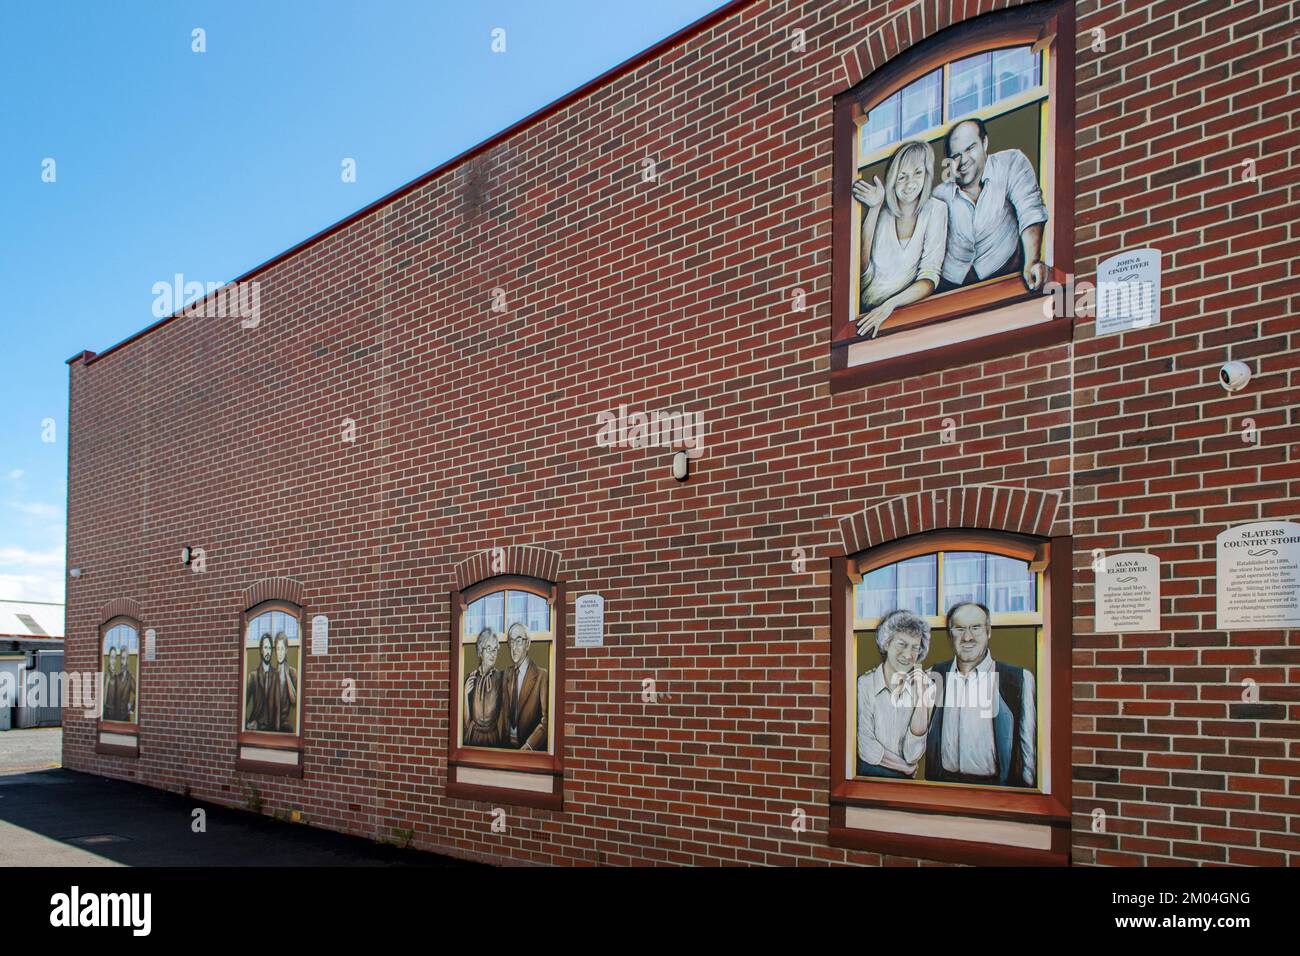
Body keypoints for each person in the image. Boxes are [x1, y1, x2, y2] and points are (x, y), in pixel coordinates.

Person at [924, 602, 1037, 787]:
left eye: (975, 628)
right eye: (959, 629)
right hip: (943, 787)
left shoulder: (1019, 680)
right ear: (950, 635)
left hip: (995, 790)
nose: (967, 637)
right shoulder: (932, 676)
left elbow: (1028, 756)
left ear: (988, 631)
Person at [932, 118, 1048, 293]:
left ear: (984, 143)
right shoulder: (940, 195)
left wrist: (1032, 261)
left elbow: (1030, 210)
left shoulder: (1010, 163)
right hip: (952, 288)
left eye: (970, 148)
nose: (963, 160)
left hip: (1006, 276)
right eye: (956, 156)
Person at [852, 140, 948, 337]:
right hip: (865, 316)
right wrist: (874, 209)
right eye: (902, 176)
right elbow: (861, 273)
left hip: (901, 313)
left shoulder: (936, 210)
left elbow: (929, 277)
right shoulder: (883, 216)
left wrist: (890, 305)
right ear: (892, 179)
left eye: (918, 173)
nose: (910, 183)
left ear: (927, 174)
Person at [856, 609, 935, 778]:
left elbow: (913, 755)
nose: (908, 655)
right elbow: (866, 748)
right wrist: (905, 768)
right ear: (886, 643)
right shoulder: (864, 684)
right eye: (902, 644)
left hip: (904, 782)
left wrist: (922, 698)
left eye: (915, 648)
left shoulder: (923, 687)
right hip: (868, 777)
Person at [501, 622, 548, 751]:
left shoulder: (541, 676)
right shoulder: (506, 674)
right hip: (506, 749)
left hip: (529, 749)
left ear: (527, 644)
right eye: (511, 641)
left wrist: (528, 747)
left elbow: (546, 720)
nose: (514, 647)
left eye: (518, 641)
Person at [464, 628, 504, 747]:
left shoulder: (501, 677)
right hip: (473, 736)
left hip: (493, 737)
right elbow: (465, 720)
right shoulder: (471, 678)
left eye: (495, 649)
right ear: (480, 652)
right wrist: (464, 694)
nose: (493, 653)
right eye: (488, 649)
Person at [244, 633, 275, 731]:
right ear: (261, 650)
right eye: (265, 648)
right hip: (256, 728)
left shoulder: (276, 675)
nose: (268, 651)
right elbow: (241, 704)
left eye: (270, 648)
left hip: (272, 729)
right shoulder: (253, 676)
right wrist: (246, 724)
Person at [272, 632, 298, 734]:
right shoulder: (271, 673)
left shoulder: (292, 672)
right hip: (271, 725)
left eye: (282, 649)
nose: (280, 652)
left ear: (286, 650)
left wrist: (287, 675)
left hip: (286, 726)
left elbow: (295, 701)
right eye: (278, 649)